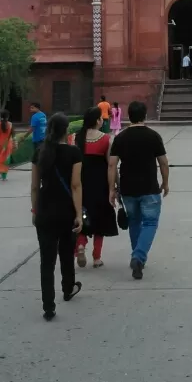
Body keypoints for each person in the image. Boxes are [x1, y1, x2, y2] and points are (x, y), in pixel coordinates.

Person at [30, 112, 83, 321]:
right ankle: (68, 288)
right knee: (66, 252)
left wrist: (34, 210)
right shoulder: (74, 153)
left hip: (44, 210)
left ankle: (48, 307)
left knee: (47, 261)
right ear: (66, 130)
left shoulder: (40, 152)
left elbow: (35, 186)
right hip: (66, 211)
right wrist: (79, 213)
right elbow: (76, 185)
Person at [108, 101, 169, 280]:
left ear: (129, 115)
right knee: (150, 223)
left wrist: (112, 189)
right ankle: (139, 257)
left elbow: (112, 164)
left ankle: (137, 256)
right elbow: (163, 162)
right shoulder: (153, 136)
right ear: (145, 116)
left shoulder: (120, 138)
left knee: (135, 222)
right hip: (149, 186)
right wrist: (165, 182)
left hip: (127, 188)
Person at [74, 107, 119, 269]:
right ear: (97, 121)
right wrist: (114, 186)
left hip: (80, 183)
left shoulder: (76, 138)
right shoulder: (106, 139)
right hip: (100, 184)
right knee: (100, 218)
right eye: (101, 118)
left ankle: (80, 244)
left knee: (81, 214)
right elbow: (111, 165)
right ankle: (96, 257)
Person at [0, 110, 16, 181]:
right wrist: (15, 143)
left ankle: (1, 174)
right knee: (6, 160)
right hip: (7, 144)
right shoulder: (10, 124)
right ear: (8, 116)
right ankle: (4, 176)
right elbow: (13, 135)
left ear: (0, 116)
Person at [22, 102, 47, 169]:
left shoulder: (34, 117)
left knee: (37, 156)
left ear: (37, 108)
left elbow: (32, 129)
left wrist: (24, 136)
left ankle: (38, 170)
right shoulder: (43, 115)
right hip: (43, 138)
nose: (30, 109)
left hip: (37, 139)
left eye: (32, 107)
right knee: (42, 155)